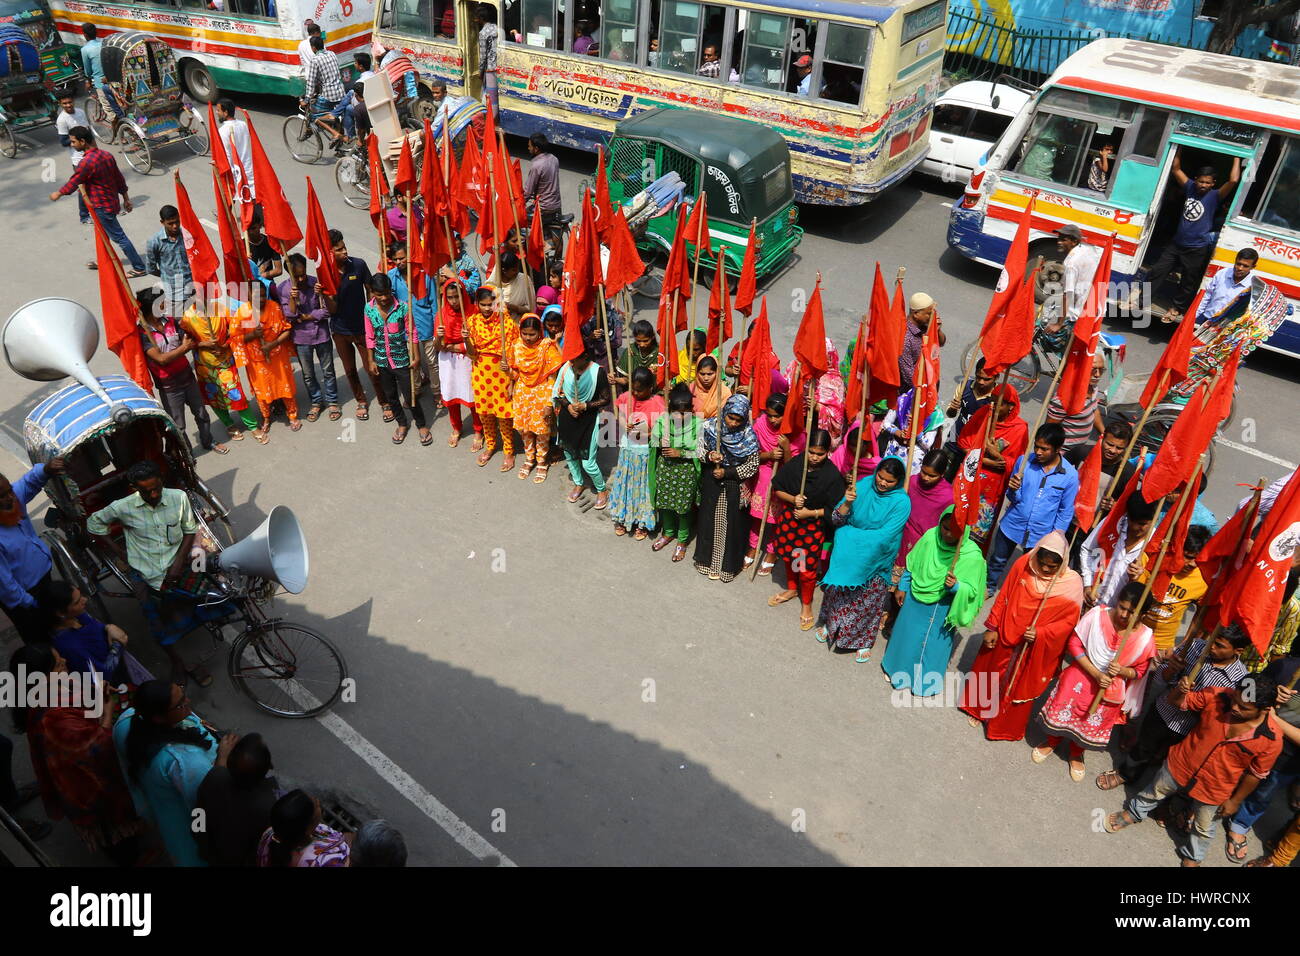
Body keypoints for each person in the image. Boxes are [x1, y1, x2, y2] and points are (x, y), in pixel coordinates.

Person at [1106, 676, 1281, 867]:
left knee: (1204, 827)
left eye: (1244, 708)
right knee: (1154, 791)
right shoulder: (1217, 695)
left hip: (1216, 787)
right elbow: (1177, 701)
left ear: (1265, 710)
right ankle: (1134, 812)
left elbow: (1255, 774)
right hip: (1181, 763)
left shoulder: (1272, 739)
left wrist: (1235, 801)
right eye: (1235, 701)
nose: (1235, 708)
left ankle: (1194, 856)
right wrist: (1181, 690)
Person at [86, 461, 233, 686]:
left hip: (181, 560)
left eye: (157, 488)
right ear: (135, 488)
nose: (153, 494)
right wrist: (119, 553)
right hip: (146, 572)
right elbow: (94, 524)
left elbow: (189, 530)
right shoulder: (122, 506)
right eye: (146, 491)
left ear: (162, 481)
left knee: (214, 587)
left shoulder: (178, 497)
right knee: (158, 623)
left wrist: (179, 563)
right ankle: (177, 662)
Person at [10, 643, 142, 861]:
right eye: (59, 665)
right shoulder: (52, 718)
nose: (66, 664)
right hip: (87, 785)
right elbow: (96, 748)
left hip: (73, 769)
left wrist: (97, 696)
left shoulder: (47, 693)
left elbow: (80, 708)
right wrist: (107, 712)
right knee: (115, 834)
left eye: (62, 660)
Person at [961, 532, 1083, 741]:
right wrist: (993, 626)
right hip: (1007, 633)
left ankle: (1001, 726)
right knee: (991, 673)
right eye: (1042, 563)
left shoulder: (1072, 584)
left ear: (1061, 565)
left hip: (1033, 646)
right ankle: (978, 711)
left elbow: (1068, 624)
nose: (1045, 569)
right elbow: (1005, 595)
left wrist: (1041, 633)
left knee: (1016, 685)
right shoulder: (1024, 563)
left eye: (1052, 567)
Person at [1098, 628, 1250, 795]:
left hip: (1190, 728)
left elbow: (1238, 712)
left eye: (1220, 646)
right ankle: (1127, 773)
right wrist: (1171, 669)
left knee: (1169, 760)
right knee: (1144, 746)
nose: (1212, 647)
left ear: (1238, 651)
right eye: (1212, 640)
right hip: (1163, 710)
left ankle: (1156, 786)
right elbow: (1158, 678)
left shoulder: (1241, 679)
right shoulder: (1195, 647)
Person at [1036, 581, 1157, 782]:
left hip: (1110, 689)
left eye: (1132, 612)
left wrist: (1123, 671)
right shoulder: (1096, 616)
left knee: (1087, 723)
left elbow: (1141, 671)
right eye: (1122, 608)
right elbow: (1074, 644)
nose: (1124, 615)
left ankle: (1076, 752)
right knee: (1064, 713)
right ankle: (1052, 741)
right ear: (1117, 602)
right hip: (1081, 677)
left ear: (1143, 615)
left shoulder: (1145, 638)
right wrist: (1096, 673)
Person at [114, 679, 223, 867]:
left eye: (182, 691)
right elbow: (202, 808)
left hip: (165, 817)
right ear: (158, 717)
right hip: (192, 838)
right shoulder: (186, 763)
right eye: (180, 703)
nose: (188, 700)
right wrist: (222, 761)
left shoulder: (127, 720)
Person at [882, 507, 987, 697]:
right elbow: (913, 561)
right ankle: (896, 670)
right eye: (944, 528)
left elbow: (973, 591)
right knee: (907, 635)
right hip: (915, 600)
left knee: (930, 644)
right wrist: (903, 585)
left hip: (942, 608)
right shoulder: (931, 536)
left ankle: (923, 683)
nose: (947, 534)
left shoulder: (972, 556)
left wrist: (956, 586)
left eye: (954, 531)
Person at [816, 456, 910, 660]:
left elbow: (885, 537)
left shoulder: (902, 503)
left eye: (889, 481)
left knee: (866, 602)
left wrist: (850, 537)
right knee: (837, 593)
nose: (882, 483)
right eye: (880, 477)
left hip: (876, 560)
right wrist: (847, 503)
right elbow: (836, 519)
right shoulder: (862, 486)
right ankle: (830, 625)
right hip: (848, 556)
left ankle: (864, 640)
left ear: (899, 481)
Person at [1140, 151, 1242, 316]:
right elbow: (1175, 169)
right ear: (1195, 180)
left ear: (1213, 184)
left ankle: (1176, 308)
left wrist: (1238, 157)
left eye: (1207, 183)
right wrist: (1178, 149)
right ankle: (1142, 302)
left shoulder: (1215, 196)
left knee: (1188, 281)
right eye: (1200, 181)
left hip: (1196, 248)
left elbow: (1233, 180)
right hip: (1176, 244)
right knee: (1157, 270)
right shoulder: (1190, 188)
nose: (1203, 185)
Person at [767, 430, 847, 630]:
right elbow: (777, 488)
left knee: (807, 570)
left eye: (819, 453)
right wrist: (793, 499)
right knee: (790, 558)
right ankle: (792, 589)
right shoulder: (796, 464)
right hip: (789, 521)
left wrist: (810, 513)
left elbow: (834, 510)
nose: (814, 457)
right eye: (811, 452)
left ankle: (807, 603)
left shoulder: (832, 475)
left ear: (827, 452)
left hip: (810, 527)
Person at [986, 423, 1079, 589]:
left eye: (1044, 449)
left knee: (1032, 570)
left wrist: (1056, 538)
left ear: (1058, 449)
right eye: (1036, 446)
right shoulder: (1023, 462)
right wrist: (1013, 489)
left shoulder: (1070, 476)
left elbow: (1065, 511)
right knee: (997, 560)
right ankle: (989, 587)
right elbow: (1012, 496)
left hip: (1041, 533)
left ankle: (1018, 594)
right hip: (1013, 524)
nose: (1038, 452)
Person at [1229, 652, 1300, 862]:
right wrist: (1269, 693)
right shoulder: (1287, 668)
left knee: (1262, 795)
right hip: (1253, 741)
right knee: (1233, 776)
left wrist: (1274, 719)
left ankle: (1239, 825)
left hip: (1289, 760)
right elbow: (1248, 687)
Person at [137, 288, 224, 455]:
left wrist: (198, 345)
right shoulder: (142, 333)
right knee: (178, 425)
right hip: (169, 386)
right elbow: (161, 359)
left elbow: (189, 341)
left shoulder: (171, 321)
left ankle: (208, 440)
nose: (166, 304)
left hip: (187, 377)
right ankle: (187, 453)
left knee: (201, 414)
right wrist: (183, 348)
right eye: (162, 302)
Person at [49, 126, 146, 275]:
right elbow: (119, 178)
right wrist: (126, 199)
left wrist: (58, 193)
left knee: (119, 238)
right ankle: (104, 261)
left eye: (74, 142)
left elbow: (74, 182)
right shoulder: (106, 155)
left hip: (102, 207)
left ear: (83, 141)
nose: (72, 145)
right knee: (102, 234)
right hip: (111, 203)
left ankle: (139, 267)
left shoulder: (86, 163)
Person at [323, 230, 391, 422]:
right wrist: (324, 295)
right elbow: (332, 309)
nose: (344, 251)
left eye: (344, 247)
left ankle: (384, 401)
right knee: (350, 370)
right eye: (339, 249)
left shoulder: (359, 265)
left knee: (372, 368)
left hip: (362, 329)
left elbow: (371, 290)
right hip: (340, 331)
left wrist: (374, 315)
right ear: (330, 252)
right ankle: (361, 400)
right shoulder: (325, 274)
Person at [694, 395, 761, 582]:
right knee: (708, 521)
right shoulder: (709, 427)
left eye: (738, 419)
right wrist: (709, 456)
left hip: (734, 484)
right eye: (730, 417)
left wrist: (728, 472)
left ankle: (723, 566)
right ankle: (705, 562)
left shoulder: (748, 436)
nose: (733, 423)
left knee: (726, 524)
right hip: (711, 481)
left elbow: (752, 465)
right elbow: (699, 451)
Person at [0, 457, 65, 644]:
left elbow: (28, 481)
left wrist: (46, 468)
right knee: (42, 641)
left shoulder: (13, 500)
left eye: (9, 491)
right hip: (25, 598)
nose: (10, 498)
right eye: (2, 496)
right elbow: (6, 586)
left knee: (60, 631)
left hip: (43, 581)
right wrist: (31, 604)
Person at [956, 383, 1029, 547]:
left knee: (977, 534)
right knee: (958, 521)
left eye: (1000, 403)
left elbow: (1016, 463)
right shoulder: (983, 414)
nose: (994, 406)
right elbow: (964, 441)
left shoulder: (1020, 428)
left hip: (992, 488)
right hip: (971, 474)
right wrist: (985, 459)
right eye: (992, 401)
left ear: (1011, 406)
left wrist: (994, 452)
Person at [182, 288, 260, 440]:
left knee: (236, 394)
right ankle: (229, 424)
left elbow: (235, 331)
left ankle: (252, 425)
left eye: (207, 297)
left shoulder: (222, 310)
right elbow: (185, 343)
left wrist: (225, 345)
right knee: (214, 395)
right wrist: (202, 344)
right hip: (205, 365)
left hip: (225, 360)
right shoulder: (187, 318)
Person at [365, 273, 431, 446]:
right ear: (373, 293)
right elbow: (370, 336)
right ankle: (402, 423)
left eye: (387, 293)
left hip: (402, 360)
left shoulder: (403, 307)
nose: (384, 298)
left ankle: (422, 425)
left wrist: (416, 357)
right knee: (391, 395)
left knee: (410, 396)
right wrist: (371, 361)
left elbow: (412, 333)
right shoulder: (368, 309)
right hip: (381, 360)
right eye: (380, 294)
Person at [195, 732, 277, 866]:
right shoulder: (270, 806)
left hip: (209, 854)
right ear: (269, 767)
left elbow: (198, 820)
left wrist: (202, 843)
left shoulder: (214, 777)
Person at [746, 393, 803, 576]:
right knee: (757, 515)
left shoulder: (796, 433)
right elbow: (751, 454)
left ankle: (771, 552)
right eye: (770, 415)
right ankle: (753, 546)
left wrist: (786, 448)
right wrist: (769, 455)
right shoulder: (760, 424)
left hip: (783, 477)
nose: (773, 420)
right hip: (763, 472)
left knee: (776, 518)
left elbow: (795, 467)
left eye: (777, 416)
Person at [279, 253, 339, 423]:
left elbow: (326, 311)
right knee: (308, 374)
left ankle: (333, 401)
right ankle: (316, 401)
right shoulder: (284, 289)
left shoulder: (316, 284)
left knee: (328, 370)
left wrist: (306, 317)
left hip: (321, 334)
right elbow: (290, 316)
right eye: (297, 276)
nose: (301, 278)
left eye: (303, 273)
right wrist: (292, 298)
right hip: (301, 338)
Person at [608, 368, 666, 539]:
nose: (636, 392)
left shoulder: (658, 403)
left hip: (645, 453)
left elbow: (661, 430)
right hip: (627, 451)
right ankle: (622, 517)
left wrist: (647, 435)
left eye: (640, 390)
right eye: (634, 388)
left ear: (651, 388)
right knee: (626, 483)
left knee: (642, 487)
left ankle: (642, 522)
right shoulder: (627, 397)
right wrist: (624, 423)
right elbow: (619, 412)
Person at [466, 285, 519, 468]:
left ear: (496, 304)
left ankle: (509, 451)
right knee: (485, 413)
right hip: (481, 372)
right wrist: (466, 339)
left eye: (491, 304)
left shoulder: (507, 322)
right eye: (483, 304)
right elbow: (472, 355)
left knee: (504, 415)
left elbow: (514, 350)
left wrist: (512, 378)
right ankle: (490, 445)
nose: (487, 308)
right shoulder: (471, 322)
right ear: (477, 304)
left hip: (501, 374)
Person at [1137, 526, 1210, 656]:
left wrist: (1184, 646)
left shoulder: (1203, 580)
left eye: (1198, 559)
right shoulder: (1153, 562)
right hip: (1133, 635)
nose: (1193, 564)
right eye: (1187, 556)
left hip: (1162, 648)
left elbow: (1201, 617)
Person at [240, 282, 299, 442]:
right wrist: (253, 334)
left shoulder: (275, 307)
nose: (259, 298)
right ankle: (266, 418)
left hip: (277, 355)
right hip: (256, 360)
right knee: (262, 390)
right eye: (255, 295)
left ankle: (292, 415)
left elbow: (286, 330)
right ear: (248, 295)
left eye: (262, 294)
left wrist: (273, 344)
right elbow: (236, 338)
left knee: (285, 385)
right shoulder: (243, 312)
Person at [554, 349, 613, 507]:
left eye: (574, 359)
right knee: (570, 454)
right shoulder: (566, 367)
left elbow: (606, 398)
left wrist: (586, 405)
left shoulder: (597, 372)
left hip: (588, 420)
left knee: (588, 462)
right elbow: (558, 393)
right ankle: (579, 483)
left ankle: (602, 490)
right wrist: (569, 406)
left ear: (585, 356)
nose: (571, 363)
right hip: (567, 417)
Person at [650, 385, 702, 562]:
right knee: (664, 503)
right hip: (665, 470)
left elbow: (701, 451)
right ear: (670, 410)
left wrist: (681, 453)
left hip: (686, 473)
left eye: (685, 413)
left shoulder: (697, 424)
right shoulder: (663, 420)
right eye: (676, 413)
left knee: (683, 508)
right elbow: (653, 440)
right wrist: (660, 440)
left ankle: (682, 540)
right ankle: (668, 533)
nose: (680, 417)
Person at [507, 313, 562, 481]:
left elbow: (554, 376)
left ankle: (541, 461)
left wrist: (548, 403)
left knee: (542, 431)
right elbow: (515, 373)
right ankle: (529, 458)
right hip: (522, 392)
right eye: (525, 333)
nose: (528, 338)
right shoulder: (515, 346)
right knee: (525, 430)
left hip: (542, 391)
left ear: (540, 331)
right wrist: (507, 371)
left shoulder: (547, 346)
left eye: (532, 334)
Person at [1080, 493, 1157, 609]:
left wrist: (1138, 578)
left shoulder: (1156, 544)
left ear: (1154, 519)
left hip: (1120, 614)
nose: (1136, 528)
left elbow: (1154, 586)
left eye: (1142, 524)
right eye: (1132, 521)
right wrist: (1087, 584)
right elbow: (1088, 549)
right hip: (1091, 603)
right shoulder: (1112, 524)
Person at [43, 580, 130, 680]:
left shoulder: (77, 616)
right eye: (77, 602)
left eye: (81, 595)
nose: (85, 600)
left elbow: (97, 626)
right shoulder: (69, 647)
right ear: (61, 613)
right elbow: (104, 674)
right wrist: (118, 643)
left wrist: (109, 627)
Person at [436, 276, 481, 447]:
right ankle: (456, 427)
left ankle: (478, 429)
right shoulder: (440, 316)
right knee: (450, 394)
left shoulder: (474, 312)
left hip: (468, 361)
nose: (454, 301)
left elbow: (476, 343)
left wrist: (455, 347)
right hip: (448, 363)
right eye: (450, 297)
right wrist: (439, 338)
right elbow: (439, 346)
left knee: (472, 395)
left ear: (463, 295)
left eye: (457, 296)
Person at [258, 789, 351, 866]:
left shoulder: (269, 834)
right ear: (308, 829)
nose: (318, 801)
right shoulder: (325, 862)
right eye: (316, 805)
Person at [896, 447, 953, 569]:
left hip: (923, 544)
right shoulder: (911, 482)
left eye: (932, 476)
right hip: (900, 536)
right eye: (924, 472)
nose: (925, 478)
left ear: (942, 474)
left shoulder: (949, 496)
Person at [1044, 224, 1101, 345]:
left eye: (1063, 240)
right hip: (1092, 306)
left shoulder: (1071, 264)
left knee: (1060, 346)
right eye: (1059, 238)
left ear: (1074, 241)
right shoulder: (1086, 250)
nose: (1059, 242)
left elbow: (1067, 295)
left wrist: (1059, 324)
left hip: (1079, 312)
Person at [1176, 247, 1258, 328]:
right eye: (1238, 264)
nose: (1240, 268)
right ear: (1235, 260)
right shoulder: (1222, 274)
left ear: (1253, 267)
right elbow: (1206, 296)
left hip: (1227, 328)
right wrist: (1191, 318)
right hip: (1207, 321)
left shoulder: (1253, 286)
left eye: (1245, 266)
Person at [785, 338, 846, 445]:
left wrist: (819, 407)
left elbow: (837, 416)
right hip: (795, 422)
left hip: (816, 429)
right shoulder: (796, 367)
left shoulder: (834, 381)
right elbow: (785, 390)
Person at [943, 358, 995, 480]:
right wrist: (953, 409)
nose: (981, 382)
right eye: (978, 377)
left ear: (996, 378)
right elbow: (950, 414)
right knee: (942, 480)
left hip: (973, 450)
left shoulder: (996, 398)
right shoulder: (964, 386)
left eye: (987, 379)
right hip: (953, 441)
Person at [144, 205, 193, 319]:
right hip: (174, 294)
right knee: (181, 324)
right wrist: (167, 275)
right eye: (170, 223)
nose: (175, 226)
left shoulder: (187, 235)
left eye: (177, 222)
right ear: (162, 222)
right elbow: (150, 268)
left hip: (193, 287)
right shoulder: (154, 242)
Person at [898, 293, 945, 392]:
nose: (932, 317)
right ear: (916, 314)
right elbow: (909, 377)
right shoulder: (905, 339)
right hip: (912, 393)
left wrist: (937, 330)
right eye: (929, 314)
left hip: (927, 385)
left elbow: (941, 343)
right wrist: (928, 389)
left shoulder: (925, 327)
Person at [303, 34, 345, 141]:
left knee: (314, 116)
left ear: (313, 48)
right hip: (340, 92)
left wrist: (307, 98)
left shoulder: (315, 60)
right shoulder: (332, 54)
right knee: (329, 114)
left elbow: (311, 82)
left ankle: (334, 133)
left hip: (328, 95)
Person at [215, 98, 255, 200]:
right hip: (248, 166)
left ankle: (225, 215)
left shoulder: (223, 130)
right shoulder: (243, 124)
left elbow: (227, 154)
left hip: (236, 169)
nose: (217, 112)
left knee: (232, 195)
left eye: (218, 110)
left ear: (226, 112)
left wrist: (226, 172)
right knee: (250, 194)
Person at [524, 132, 562, 226]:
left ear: (536, 149)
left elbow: (528, 192)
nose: (528, 149)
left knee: (519, 217)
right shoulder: (554, 159)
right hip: (556, 205)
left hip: (544, 208)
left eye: (529, 146)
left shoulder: (537, 166)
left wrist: (518, 203)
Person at [614, 320, 659, 390]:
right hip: (634, 393)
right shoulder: (630, 351)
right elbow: (625, 380)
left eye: (646, 341)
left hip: (654, 393)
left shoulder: (659, 354)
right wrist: (615, 379)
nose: (642, 344)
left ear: (652, 337)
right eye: (638, 341)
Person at [474, 4, 500, 120]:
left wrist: (480, 72)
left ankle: (490, 119)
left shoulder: (483, 33)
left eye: (476, 18)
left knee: (490, 96)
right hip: (498, 66)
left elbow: (483, 55)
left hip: (490, 68)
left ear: (481, 19)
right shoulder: (497, 28)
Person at [79, 23, 104, 93]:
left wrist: (88, 80)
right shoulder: (104, 43)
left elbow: (88, 70)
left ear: (85, 35)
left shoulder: (85, 49)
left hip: (100, 83)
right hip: (113, 79)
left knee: (105, 103)